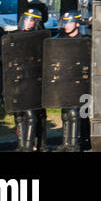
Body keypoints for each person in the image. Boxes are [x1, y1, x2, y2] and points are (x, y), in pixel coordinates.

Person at [52, 12, 90, 151]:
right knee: (66, 113)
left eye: (70, 23)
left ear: (77, 24)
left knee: (82, 114)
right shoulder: (61, 40)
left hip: (82, 84)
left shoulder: (85, 40)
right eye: (65, 23)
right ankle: (66, 142)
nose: (66, 26)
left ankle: (82, 141)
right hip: (66, 83)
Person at [10, 11, 49, 151]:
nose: (27, 23)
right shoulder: (15, 35)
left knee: (34, 114)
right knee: (19, 114)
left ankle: (36, 144)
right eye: (26, 20)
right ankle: (21, 144)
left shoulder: (40, 38)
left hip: (34, 81)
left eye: (31, 20)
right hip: (19, 80)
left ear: (37, 23)